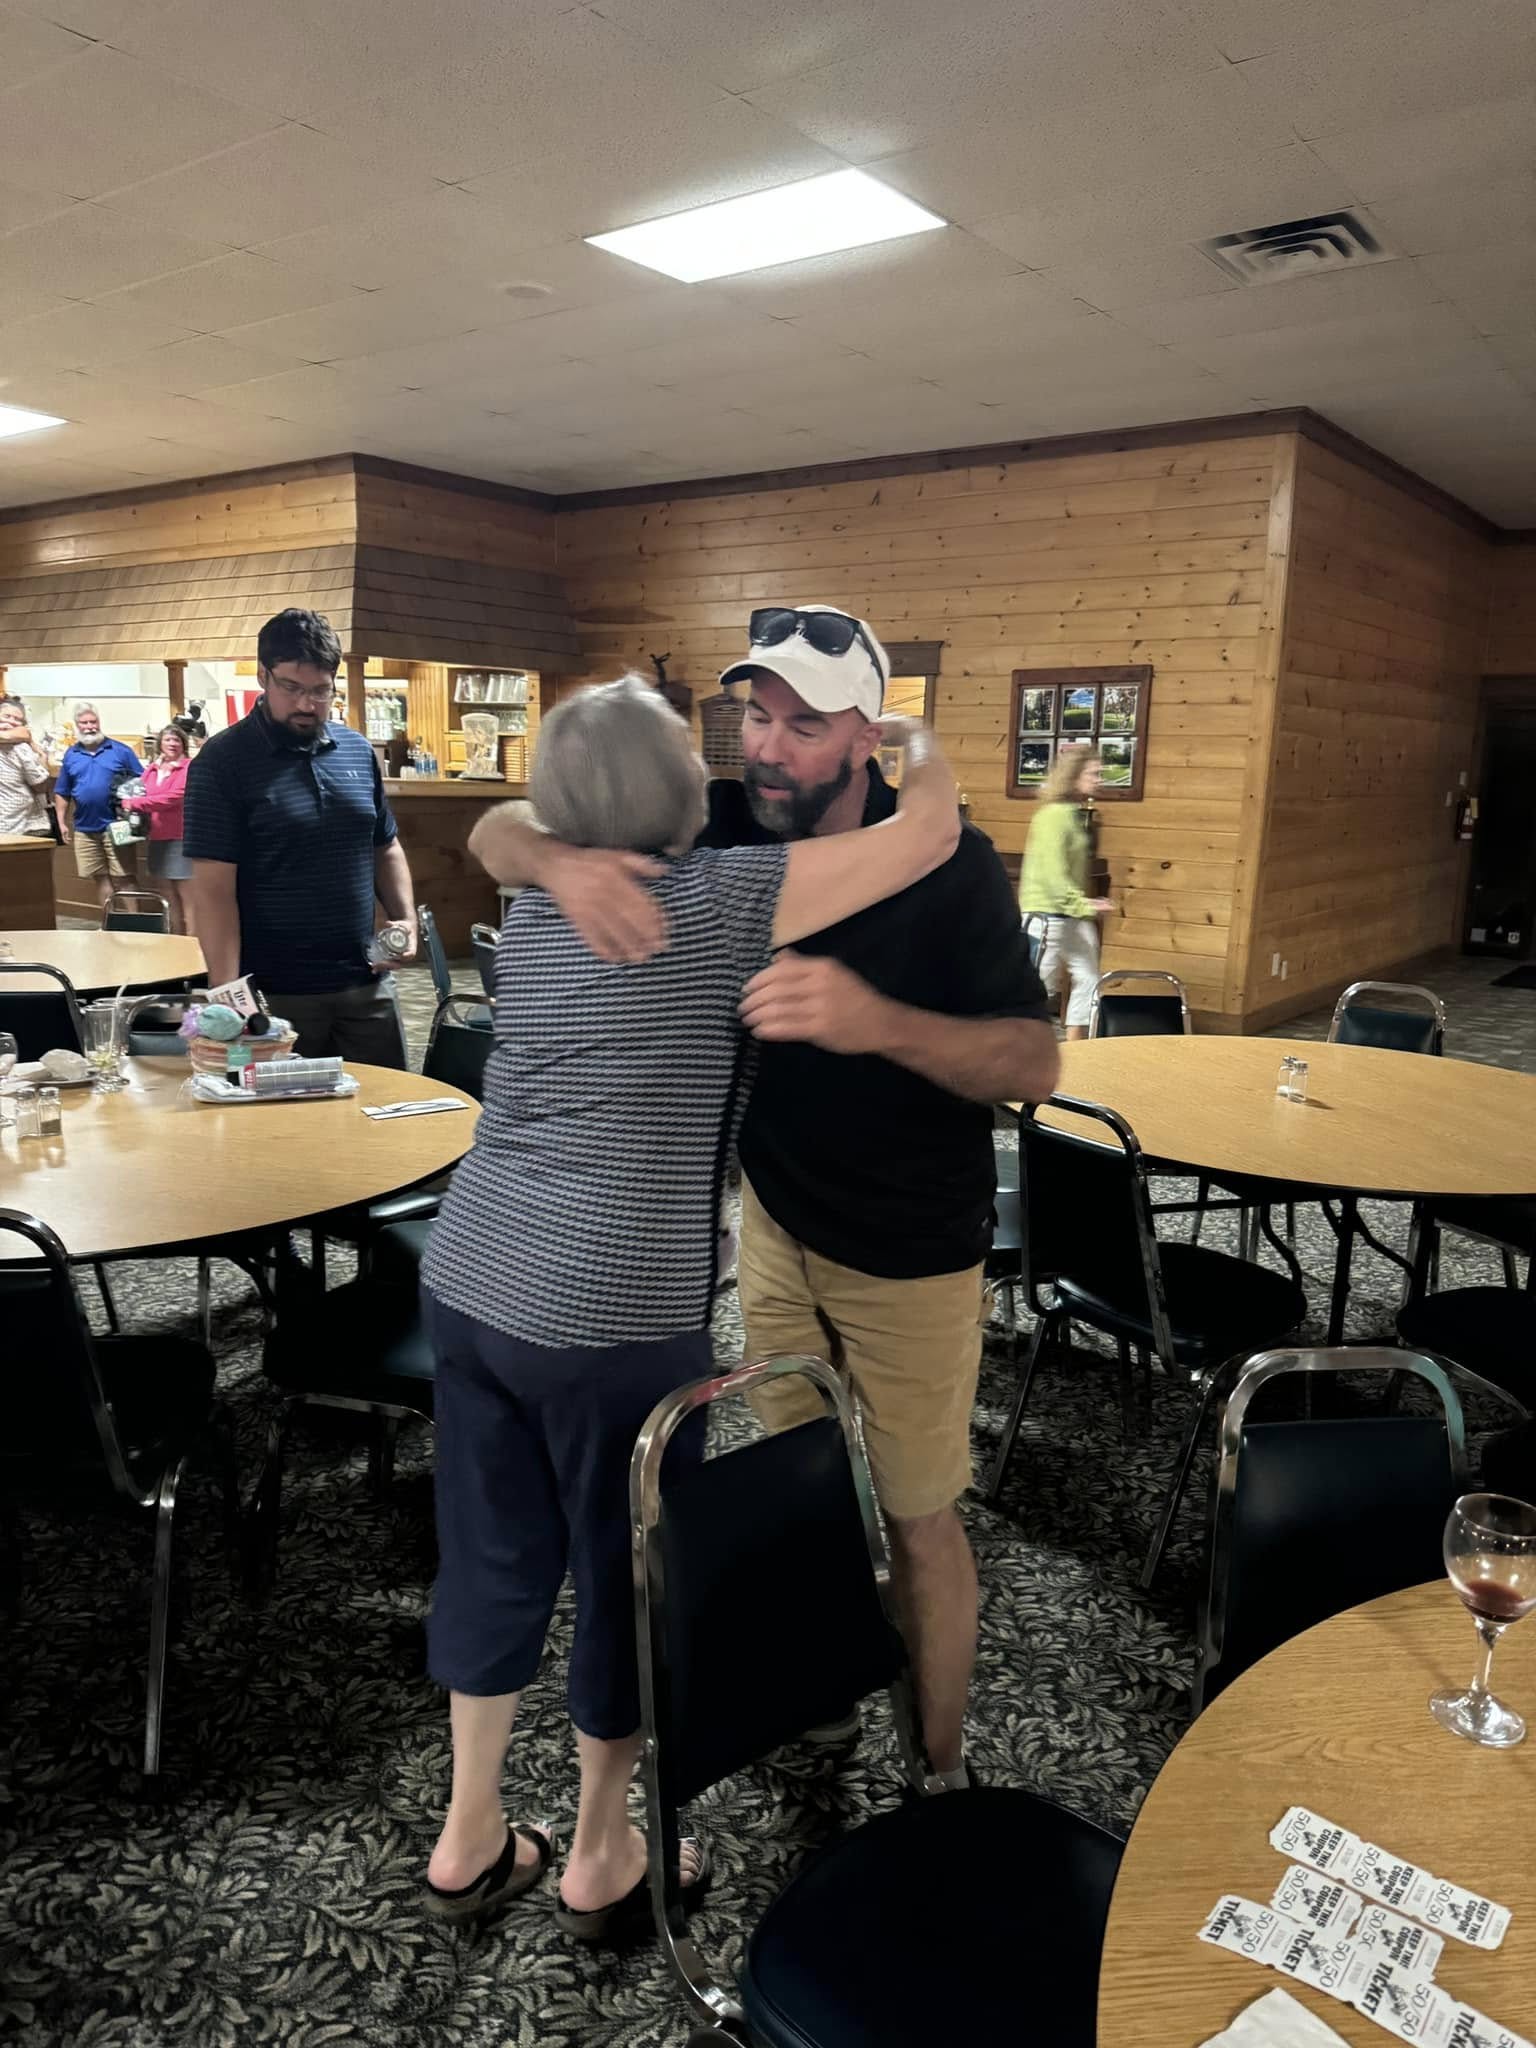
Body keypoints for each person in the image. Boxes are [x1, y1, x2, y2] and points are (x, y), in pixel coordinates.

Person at [467, 606, 1060, 1789]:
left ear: (865, 741)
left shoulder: (949, 865)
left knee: (918, 1517)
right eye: (756, 715)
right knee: (799, 1488)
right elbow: (493, 830)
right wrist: (558, 859)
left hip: (912, 1249)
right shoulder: (727, 821)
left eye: (804, 725)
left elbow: (1033, 1064)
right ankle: (823, 1692)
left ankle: (940, 1772)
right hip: (778, 1223)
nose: (768, 746)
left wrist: (876, 1021)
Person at [419, 675, 961, 1927]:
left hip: (472, 1270)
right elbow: (929, 834)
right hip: (611, 1307)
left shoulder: (536, 901)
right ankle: (601, 1852)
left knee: (493, 1556)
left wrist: (546, 849)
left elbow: (498, 829)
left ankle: (468, 1835)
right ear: (671, 789)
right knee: (625, 1575)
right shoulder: (716, 900)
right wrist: (916, 741)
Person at [183, 608, 417, 1067]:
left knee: (388, 1105)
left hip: (366, 983)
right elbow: (213, 892)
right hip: (273, 995)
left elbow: (385, 845)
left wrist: (405, 919)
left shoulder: (356, 751)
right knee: (284, 1114)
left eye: (320, 690)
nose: (307, 704)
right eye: (291, 688)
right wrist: (228, 996)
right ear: (263, 676)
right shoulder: (222, 761)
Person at [1017, 743, 1111, 1042]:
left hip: (1072, 915)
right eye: (1093, 773)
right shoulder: (1052, 817)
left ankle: (1075, 1047)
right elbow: (1054, 875)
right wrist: (1084, 904)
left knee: (1089, 979)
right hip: (1047, 915)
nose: (1099, 779)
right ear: (1073, 776)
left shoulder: (1073, 815)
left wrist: (1083, 906)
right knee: (1037, 989)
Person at [52, 704, 142, 912]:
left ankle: (135, 923)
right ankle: (109, 923)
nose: (90, 727)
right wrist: (61, 821)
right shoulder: (71, 754)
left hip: (118, 825)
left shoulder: (121, 751)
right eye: (84, 723)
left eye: (93, 722)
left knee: (124, 877)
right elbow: (63, 790)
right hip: (84, 828)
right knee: (100, 877)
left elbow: (142, 782)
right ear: (77, 725)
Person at [124, 724, 195, 934]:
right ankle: (176, 938)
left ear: (183, 744)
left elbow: (172, 797)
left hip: (180, 837)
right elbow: (139, 790)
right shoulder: (152, 769)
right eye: (167, 740)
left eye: (176, 740)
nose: (172, 744)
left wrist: (135, 803)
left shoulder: (190, 767)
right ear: (160, 744)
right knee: (166, 893)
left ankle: (194, 944)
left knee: (187, 895)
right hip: (156, 837)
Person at [0, 700, 51, 838]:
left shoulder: (21, 746)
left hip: (18, 821)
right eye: (7, 716)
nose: (11, 721)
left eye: (17, 719)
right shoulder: (21, 748)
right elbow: (40, 785)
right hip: (19, 824)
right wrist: (42, 757)